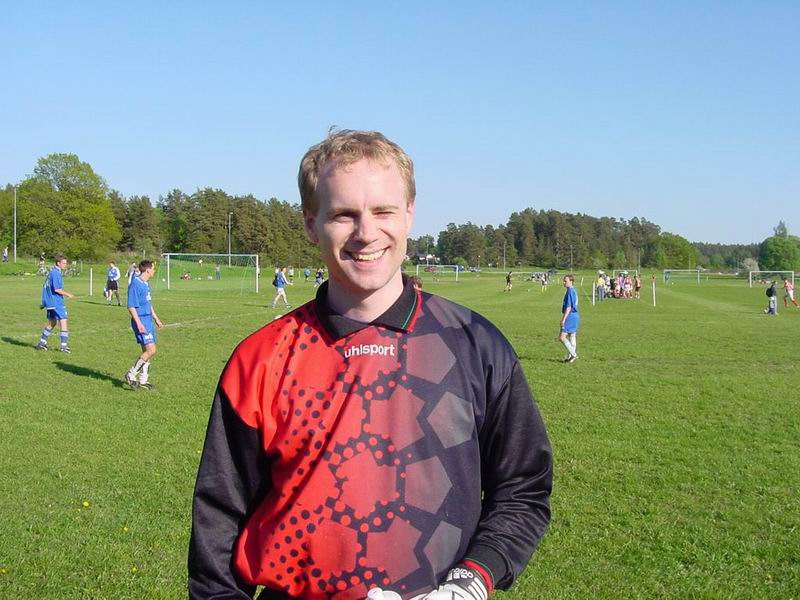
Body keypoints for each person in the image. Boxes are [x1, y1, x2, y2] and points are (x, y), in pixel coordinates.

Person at [189, 130, 552, 600]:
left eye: (383, 211)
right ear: (311, 224)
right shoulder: (260, 358)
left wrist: (472, 581)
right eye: (344, 214)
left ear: (409, 214)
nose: (366, 232)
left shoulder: (476, 344)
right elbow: (219, 521)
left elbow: (523, 487)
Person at [125, 260, 163, 390]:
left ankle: (143, 380)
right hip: (141, 320)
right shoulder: (135, 284)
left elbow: (148, 303)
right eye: (153, 269)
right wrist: (139, 323)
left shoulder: (146, 283)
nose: (154, 271)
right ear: (147, 270)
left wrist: (156, 318)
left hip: (148, 320)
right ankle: (131, 374)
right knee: (151, 350)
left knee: (147, 351)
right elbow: (131, 306)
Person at [36, 255, 75, 352]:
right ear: (58, 263)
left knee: (52, 323)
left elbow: (46, 287)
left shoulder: (51, 272)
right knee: (63, 321)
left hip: (50, 302)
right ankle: (63, 347)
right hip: (56, 302)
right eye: (64, 263)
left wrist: (44, 303)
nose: (65, 265)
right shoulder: (56, 273)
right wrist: (68, 294)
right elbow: (57, 289)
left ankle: (41, 344)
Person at [559, 274, 579, 363]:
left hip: (570, 316)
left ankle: (574, 354)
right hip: (575, 315)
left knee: (562, 337)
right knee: (572, 335)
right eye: (563, 281)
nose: (564, 282)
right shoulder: (573, 290)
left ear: (571, 281)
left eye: (565, 281)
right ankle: (570, 357)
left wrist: (563, 319)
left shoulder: (570, 291)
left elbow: (569, 307)